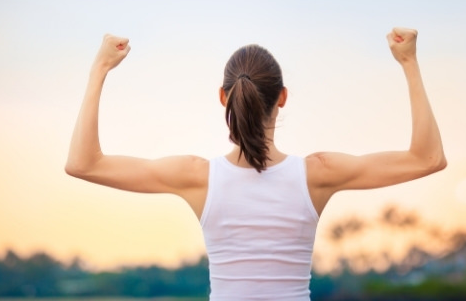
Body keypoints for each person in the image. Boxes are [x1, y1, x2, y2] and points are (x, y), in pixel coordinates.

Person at [65, 27, 446, 300]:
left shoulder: (197, 176)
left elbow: (83, 164)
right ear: (281, 97)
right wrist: (409, 61)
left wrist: (99, 69)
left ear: (222, 97)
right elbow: (427, 158)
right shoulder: (318, 173)